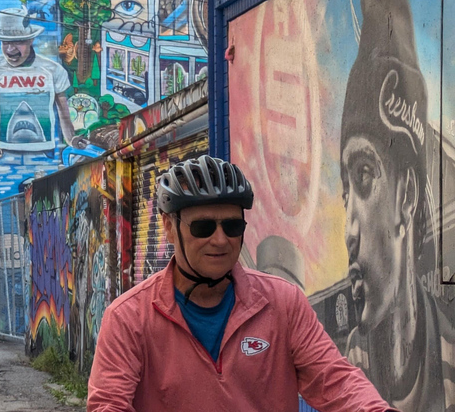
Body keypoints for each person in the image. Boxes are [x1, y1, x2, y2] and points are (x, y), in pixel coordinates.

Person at [87, 155, 397, 411]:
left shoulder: (283, 304)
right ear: (169, 227)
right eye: (203, 227)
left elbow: (335, 381)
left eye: (232, 226)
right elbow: (108, 404)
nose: (220, 240)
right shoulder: (128, 319)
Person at [340, 0, 453, 411]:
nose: (349, 229)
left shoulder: (450, 359)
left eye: (364, 176)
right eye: (344, 189)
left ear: (407, 195)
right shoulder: (347, 361)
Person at [0, 6, 85, 159]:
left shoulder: (53, 69)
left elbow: (64, 114)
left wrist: (71, 140)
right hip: (6, 152)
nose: (10, 49)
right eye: (5, 42)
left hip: (46, 151)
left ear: (31, 40)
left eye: (18, 42)